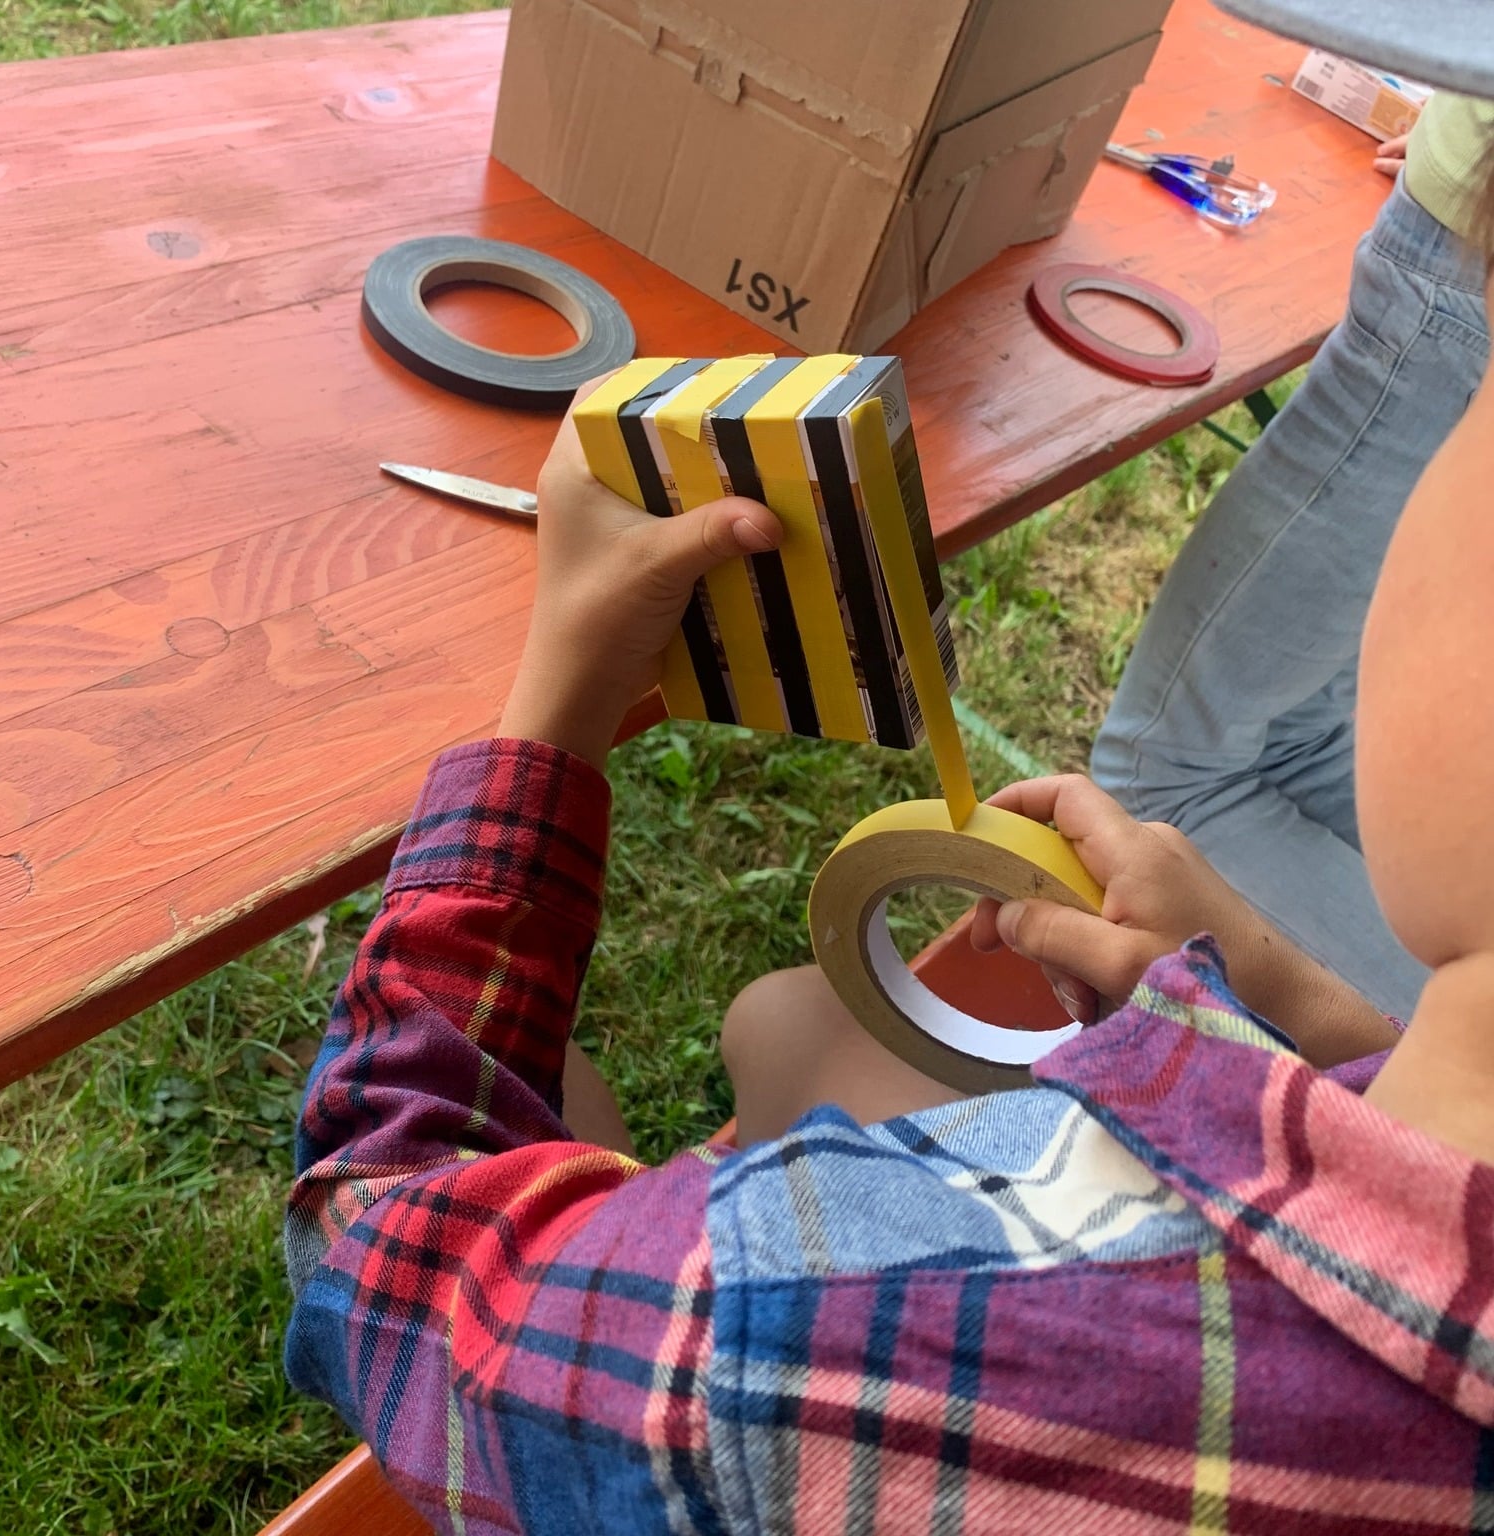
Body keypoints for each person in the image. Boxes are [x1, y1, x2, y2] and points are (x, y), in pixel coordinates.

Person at [283, 5, 1494, 1528]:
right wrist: (1293, 1023)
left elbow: (386, 1261)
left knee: (574, 1084)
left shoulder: (820, 1346)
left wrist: (553, 715)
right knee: (786, 1021)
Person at [1091, 75, 1494, 1021]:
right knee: (1299, 733)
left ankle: (1452, 1050)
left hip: (1457, 277)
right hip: (1460, 240)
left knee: (1163, 779)